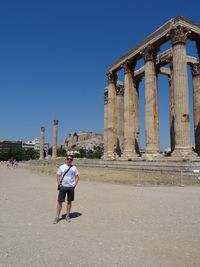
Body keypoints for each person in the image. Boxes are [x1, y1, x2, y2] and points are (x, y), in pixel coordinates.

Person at [53, 155, 79, 224]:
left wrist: (74, 185)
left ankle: (67, 215)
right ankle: (57, 217)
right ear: (66, 159)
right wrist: (59, 184)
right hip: (63, 186)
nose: (69, 160)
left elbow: (77, 177)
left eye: (71, 159)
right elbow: (58, 175)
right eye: (68, 159)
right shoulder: (62, 167)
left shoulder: (74, 168)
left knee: (69, 202)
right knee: (60, 202)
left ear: (72, 160)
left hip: (71, 187)